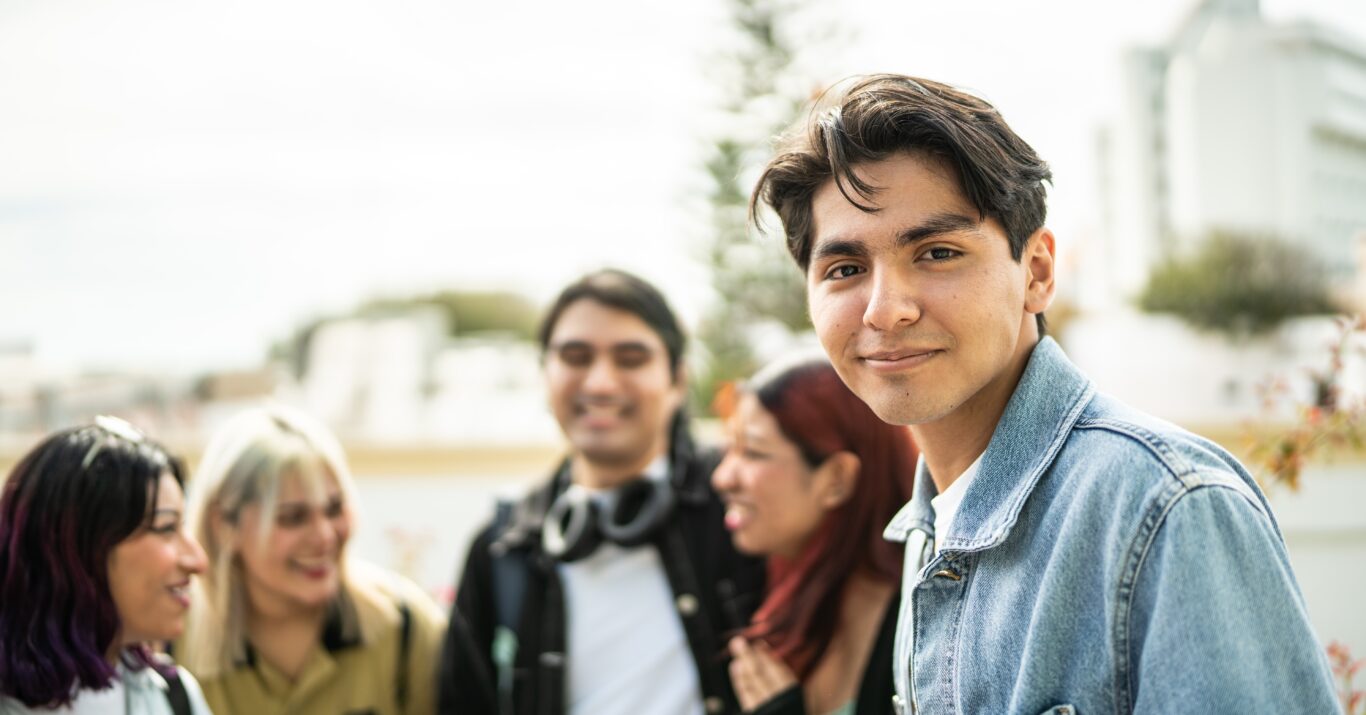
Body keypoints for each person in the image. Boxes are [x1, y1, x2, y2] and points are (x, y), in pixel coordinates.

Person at [750, 73, 1339, 713]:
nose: (885, 310)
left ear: (1036, 273)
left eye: (938, 252)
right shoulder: (926, 528)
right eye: (845, 270)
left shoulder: (1163, 506)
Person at [439, 268, 765, 715]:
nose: (600, 383)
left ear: (677, 381)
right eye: (575, 357)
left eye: (631, 358)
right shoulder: (502, 546)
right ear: (545, 375)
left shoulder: (744, 505)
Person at [177, 405, 446, 714]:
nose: (324, 536)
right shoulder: (172, 648)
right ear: (224, 524)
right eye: (293, 517)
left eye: (334, 509)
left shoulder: (407, 630)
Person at [713, 355, 917, 715]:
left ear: (837, 479)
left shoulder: (923, 624)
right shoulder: (754, 589)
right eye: (728, 449)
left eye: (754, 453)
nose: (722, 477)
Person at [0, 416, 212, 714]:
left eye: (184, 526)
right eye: (166, 528)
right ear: (79, 551)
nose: (198, 560)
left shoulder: (175, 696)